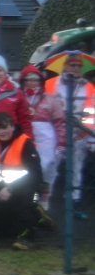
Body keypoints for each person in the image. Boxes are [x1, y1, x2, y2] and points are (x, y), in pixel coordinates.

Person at [0, 112, 43, 250]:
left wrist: (11, 188)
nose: (1, 132)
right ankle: (38, 216)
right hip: (2, 189)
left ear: (13, 126)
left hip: (24, 188)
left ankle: (27, 237)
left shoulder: (25, 143)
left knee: (27, 207)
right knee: (5, 232)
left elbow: (36, 175)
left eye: (5, 127)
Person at [44, 52, 94, 213]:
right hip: (55, 135)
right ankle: (45, 198)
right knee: (51, 166)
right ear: (64, 66)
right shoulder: (50, 84)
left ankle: (74, 199)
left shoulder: (89, 87)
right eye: (72, 65)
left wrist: (89, 138)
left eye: (79, 66)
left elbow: (92, 113)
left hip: (79, 135)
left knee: (76, 168)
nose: (76, 68)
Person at [20, 65, 65, 210]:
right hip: (25, 137)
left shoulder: (50, 99)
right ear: (23, 81)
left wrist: (61, 142)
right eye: (28, 80)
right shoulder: (18, 97)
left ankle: (44, 199)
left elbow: (60, 121)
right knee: (27, 168)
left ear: (41, 81)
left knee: (47, 169)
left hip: (46, 140)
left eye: (35, 79)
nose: (32, 83)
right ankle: (29, 198)